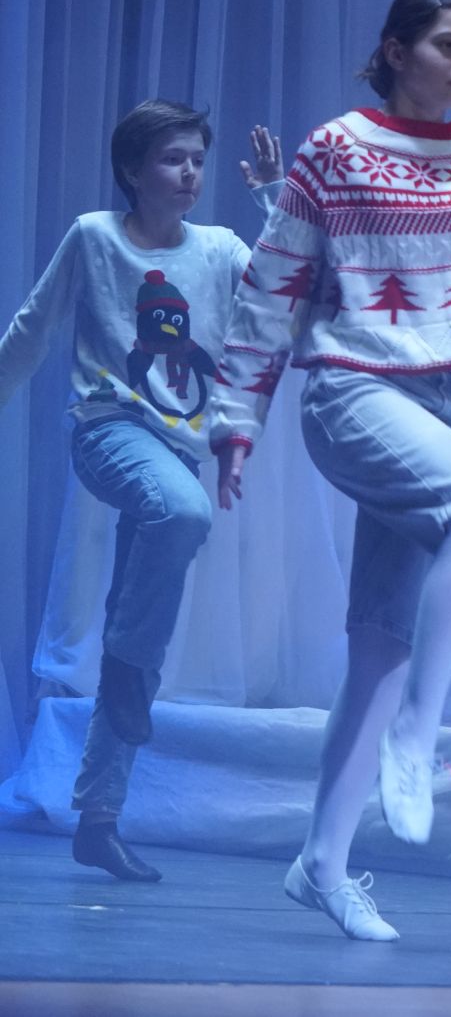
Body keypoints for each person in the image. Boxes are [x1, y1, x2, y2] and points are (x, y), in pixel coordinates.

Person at [218, 0, 451, 941]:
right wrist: (235, 419)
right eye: (446, 44)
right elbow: (272, 285)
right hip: (351, 390)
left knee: (382, 643)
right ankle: (419, 733)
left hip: (441, 404)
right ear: (394, 50)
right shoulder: (339, 147)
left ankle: (322, 863)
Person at [0, 100, 279, 882]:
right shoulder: (94, 236)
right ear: (132, 170)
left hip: (179, 448)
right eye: (171, 158)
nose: (189, 172)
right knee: (181, 515)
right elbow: (32, 327)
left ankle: (98, 818)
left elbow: (284, 296)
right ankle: (122, 674)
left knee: (142, 638)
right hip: (107, 430)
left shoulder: (220, 248)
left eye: (196, 159)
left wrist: (272, 196)